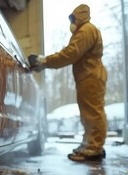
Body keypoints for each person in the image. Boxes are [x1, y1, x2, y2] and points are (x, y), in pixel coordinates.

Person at [29, 4, 107, 161]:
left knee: (92, 112)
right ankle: (89, 144)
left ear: (80, 16)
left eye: (73, 18)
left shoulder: (86, 30)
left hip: (91, 76)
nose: (72, 22)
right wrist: (45, 63)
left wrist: (44, 61)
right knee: (88, 113)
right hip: (88, 77)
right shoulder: (87, 30)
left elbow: (70, 53)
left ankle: (94, 148)